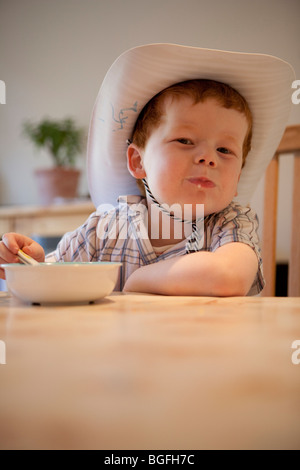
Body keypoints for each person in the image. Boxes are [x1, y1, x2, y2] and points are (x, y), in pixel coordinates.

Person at [0, 44, 295, 296]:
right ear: (138, 162)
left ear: (238, 178)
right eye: (185, 140)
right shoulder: (103, 231)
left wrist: (138, 280)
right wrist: (29, 265)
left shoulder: (230, 224)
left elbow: (228, 275)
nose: (208, 158)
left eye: (224, 150)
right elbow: (51, 286)